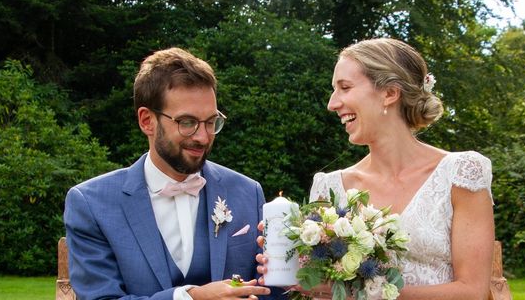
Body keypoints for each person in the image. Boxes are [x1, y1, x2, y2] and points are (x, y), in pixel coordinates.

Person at [260, 38, 495, 300]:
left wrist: (367, 295)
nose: (332, 103)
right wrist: (285, 259)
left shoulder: (460, 173)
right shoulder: (329, 187)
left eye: (345, 88)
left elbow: (473, 292)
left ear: (390, 93)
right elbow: (317, 286)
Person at [64, 47, 273, 300]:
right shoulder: (91, 204)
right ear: (146, 121)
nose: (203, 136)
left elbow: (271, 291)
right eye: (187, 122)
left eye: (211, 122)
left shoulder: (248, 192)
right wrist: (191, 298)